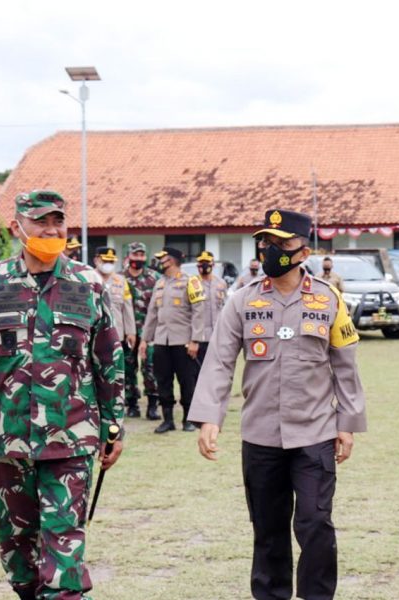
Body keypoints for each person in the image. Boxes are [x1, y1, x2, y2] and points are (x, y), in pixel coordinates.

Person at [0, 190, 125, 600]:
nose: (52, 230)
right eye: (41, 222)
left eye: (59, 222)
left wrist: (115, 425)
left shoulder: (87, 284)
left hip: (69, 440)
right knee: (18, 557)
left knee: (63, 561)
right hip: (8, 442)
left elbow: (109, 359)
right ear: (18, 227)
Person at [189, 209, 366, 600]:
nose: (267, 249)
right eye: (265, 242)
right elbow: (219, 360)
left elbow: (345, 365)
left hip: (315, 433)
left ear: (302, 251)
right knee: (268, 529)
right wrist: (209, 417)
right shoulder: (242, 301)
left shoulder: (328, 298)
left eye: (278, 243)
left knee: (315, 523)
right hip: (261, 435)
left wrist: (347, 423)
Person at [140, 247, 206, 433]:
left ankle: (188, 419)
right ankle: (168, 419)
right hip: (162, 340)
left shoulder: (191, 281)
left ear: (174, 260)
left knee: (187, 380)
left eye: (164, 259)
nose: (161, 262)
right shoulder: (159, 283)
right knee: (163, 380)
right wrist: (145, 340)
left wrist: (195, 340)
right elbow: (152, 313)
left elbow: (198, 312)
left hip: (183, 340)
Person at [123, 242, 160, 420]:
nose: (138, 259)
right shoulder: (120, 279)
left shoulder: (154, 278)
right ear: (129, 256)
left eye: (141, 255)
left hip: (150, 332)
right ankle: (132, 404)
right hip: (127, 332)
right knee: (128, 367)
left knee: (150, 368)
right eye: (135, 255)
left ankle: (153, 404)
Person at [93, 246, 137, 366]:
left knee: (115, 369)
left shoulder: (121, 281)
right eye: (105, 261)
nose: (108, 264)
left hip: (116, 334)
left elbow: (127, 308)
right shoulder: (88, 278)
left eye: (111, 261)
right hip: (93, 334)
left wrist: (131, 332)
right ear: (96, 260)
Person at [194, 250, 227, 366]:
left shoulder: (221, 283)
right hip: (200, 336)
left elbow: (225, 308)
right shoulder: (193, 284)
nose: (204, 265)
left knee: (216, 368)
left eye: (207, 262)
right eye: (201, 262)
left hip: (217, 335)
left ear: (213, 264)